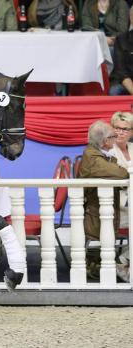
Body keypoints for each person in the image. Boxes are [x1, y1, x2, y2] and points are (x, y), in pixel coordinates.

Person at [79, 120, 129, 280]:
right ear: (105, 141)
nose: (117, 138)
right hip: (97, 213)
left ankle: (122, 261)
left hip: (105, 210)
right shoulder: (94, 158)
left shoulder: (99, 154)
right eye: (114, 136)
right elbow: (122, 173)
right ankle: (122, 263)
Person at [109, 111, 133, 281]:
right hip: (117, 206)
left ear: (131, 132)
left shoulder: (132, 148)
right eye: (116, 128)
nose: (120, 132)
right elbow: (114, 177)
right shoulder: (108, 151)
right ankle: (124, 260)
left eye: (125, 129)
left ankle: (123, 258)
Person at [108, 8, 133, 96]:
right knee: (114, 91)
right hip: (125, 82)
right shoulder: (121, 40)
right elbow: (122, 73)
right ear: (131, 18)